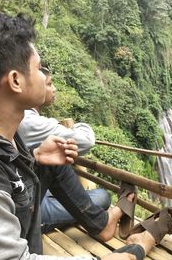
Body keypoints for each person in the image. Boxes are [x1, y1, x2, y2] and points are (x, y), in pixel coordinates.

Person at [0, 11, 172, 260]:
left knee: (56, 170)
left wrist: (35, 158)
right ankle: (142, 242)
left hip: (27, 231)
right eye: (38, 69)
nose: (45, 77)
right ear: (15, 81)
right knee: (128, 253)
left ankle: (112, 230)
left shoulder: (6, 136)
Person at [18, 65, 111, 233]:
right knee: (102, 197)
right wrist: (77, 127)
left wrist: (36, 154)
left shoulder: (19, 120)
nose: (53, 89)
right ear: (16, 82)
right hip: (28, 208)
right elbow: (86, 140)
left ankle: (99, 221)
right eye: (49, 83)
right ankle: (101, 223)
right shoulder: (27, 121)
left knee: (94, 196)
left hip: (35, 192)